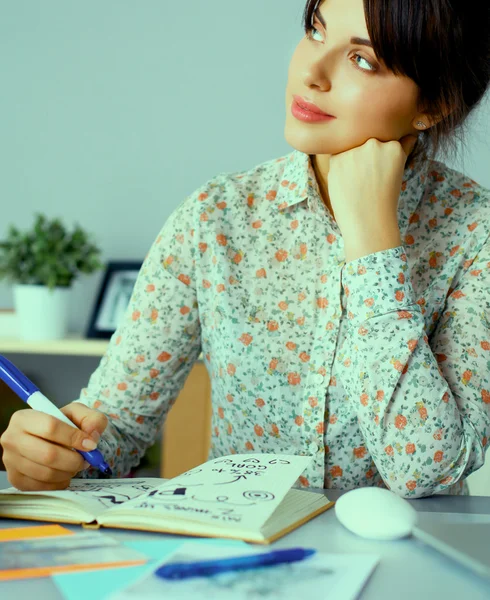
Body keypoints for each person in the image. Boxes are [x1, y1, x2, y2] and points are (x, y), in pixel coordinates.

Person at [2, 0, 490, 498]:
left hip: (413, 567)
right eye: (317, 32)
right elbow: (115, 434)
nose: (311, 73)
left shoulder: (477, 234)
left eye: (362, 59)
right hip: (237, 561)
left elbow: (426, 470)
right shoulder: (215, 216)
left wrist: (371, 244)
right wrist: (52, 457)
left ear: (434, 105)